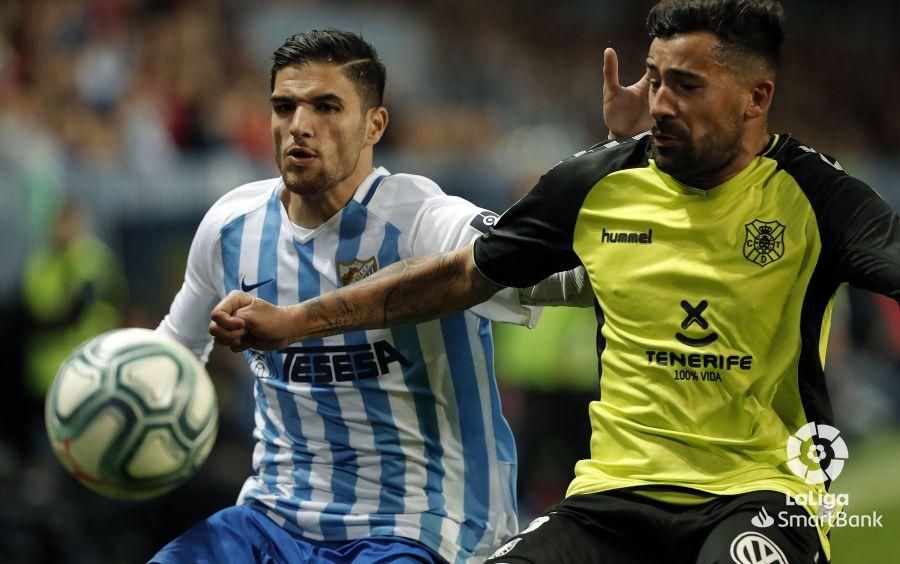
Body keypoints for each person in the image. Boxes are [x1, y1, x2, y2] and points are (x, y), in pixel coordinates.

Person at [210, 2, 900, 563]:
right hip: (616, 495)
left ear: (757, 97)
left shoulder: (816, 196)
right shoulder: (599, 181)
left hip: (762, 492)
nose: (659, 102)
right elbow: (459, 275)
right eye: (654, 79)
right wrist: (294, 321)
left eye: (686, 86)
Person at [150, 28, 646, 563]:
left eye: (326, 106)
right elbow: (172, 353)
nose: (299, 126)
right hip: (271, 518)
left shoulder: (422, 221)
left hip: (421, 526)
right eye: (284, 106)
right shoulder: (230, 227)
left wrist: (628, 176)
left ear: (374, 125)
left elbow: (560, 276)